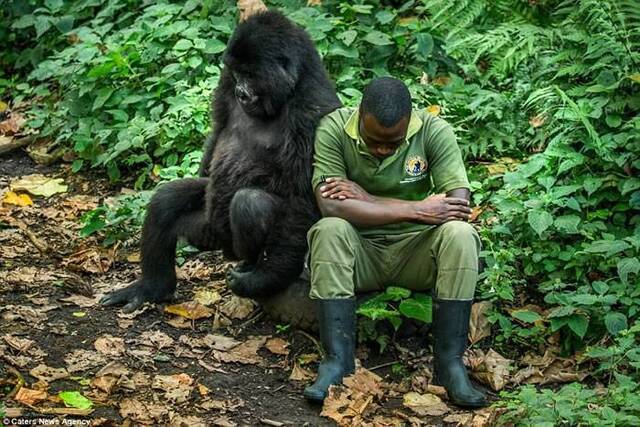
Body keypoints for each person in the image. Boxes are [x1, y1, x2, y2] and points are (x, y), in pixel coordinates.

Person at [302, 77, 487, 408]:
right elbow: (331, 205)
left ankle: (449, 366)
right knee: (329, 228)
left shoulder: (433, 131)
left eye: (393, 144)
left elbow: (458, 207)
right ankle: (337, 362)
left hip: (417, 253)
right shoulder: (334, 128)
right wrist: (417, 208)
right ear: (360, 117)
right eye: (374, 142)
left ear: (410, 122)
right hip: (359, 252)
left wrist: (367, 200)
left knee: (460, 235)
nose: (383, 150)